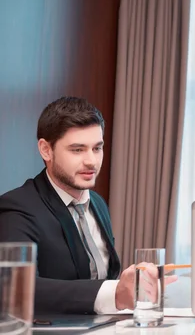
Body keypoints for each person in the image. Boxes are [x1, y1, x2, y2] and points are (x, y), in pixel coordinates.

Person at [0, 96, 176, 314]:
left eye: (97, 148)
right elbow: (18, 289)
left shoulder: (98, 204)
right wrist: (116, 293)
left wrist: (132, 289)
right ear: (46, 150)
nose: (91, 161)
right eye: (77, 149)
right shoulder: (18, 207)